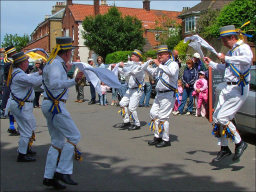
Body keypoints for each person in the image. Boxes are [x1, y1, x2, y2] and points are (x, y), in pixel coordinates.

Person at [204, 24, 252, 162]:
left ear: (232, 37)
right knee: (216, 118)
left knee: (223, 118)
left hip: (238, 88)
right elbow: (225, 69)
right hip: (227, 88)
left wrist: (227, 58)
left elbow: (248, 60)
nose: (223, 43)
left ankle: (240, 142)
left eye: (224, 40)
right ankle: (224, 148)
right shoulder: (231, 52)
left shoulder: (243, 48)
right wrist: (211, 63)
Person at [42, 37, 84, 190]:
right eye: (70, 52)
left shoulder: (54, 63)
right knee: (74, 136)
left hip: (52, 104)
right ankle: (62, 171)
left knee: (57, 142)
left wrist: (72, 79)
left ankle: (49, 176)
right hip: (56, 105)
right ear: (66, 53)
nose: (71, 55)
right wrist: (73, 81)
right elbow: (54, 84)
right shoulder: (55, 64)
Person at [9, 52, 42, 162]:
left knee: (31, 126)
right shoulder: (19, 75)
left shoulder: (18, 73)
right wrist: (45, 75)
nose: (28, 63)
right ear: (22, 63)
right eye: (27, 61)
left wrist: (39, 73)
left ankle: (26, 148)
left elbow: (30, 76)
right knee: (26, 130)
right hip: (21, 106)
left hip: (23, 105)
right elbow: (34, 81)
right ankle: (22, 154)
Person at [146, 45, 179, 148]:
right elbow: (153, 73)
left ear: (168, 55)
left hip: (168, 93)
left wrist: (159, 65)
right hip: (159, 94)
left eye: (161, 54)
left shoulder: (173, 64)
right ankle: (157, 137)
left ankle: (165, 139)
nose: (159, 56)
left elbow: (172, 73)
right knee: (153, 114)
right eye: (158, 54)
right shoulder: (161, 66)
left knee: (163, 117)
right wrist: (145, 66)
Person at [118, 49, 152, 130]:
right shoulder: (131, 65)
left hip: (137, 90)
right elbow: (124, 73)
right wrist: (117, 67)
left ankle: (137, 124)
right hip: (130, 89)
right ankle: (126, 121)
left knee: (132, 108)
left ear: (137, 57)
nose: (131, 57)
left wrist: (123, 66)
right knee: (122, 103)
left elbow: (133, 73)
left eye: (132, 56)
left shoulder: (140, 66)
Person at [1, 46, 20, 135]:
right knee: (16, 107)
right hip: (12, 86)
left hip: (8, 86)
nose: (16, 53)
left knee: (11, 108)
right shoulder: (11, 63)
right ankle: (16, 126)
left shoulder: (7, 62)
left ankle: (12, 126)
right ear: (12, 53)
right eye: (15, 52)